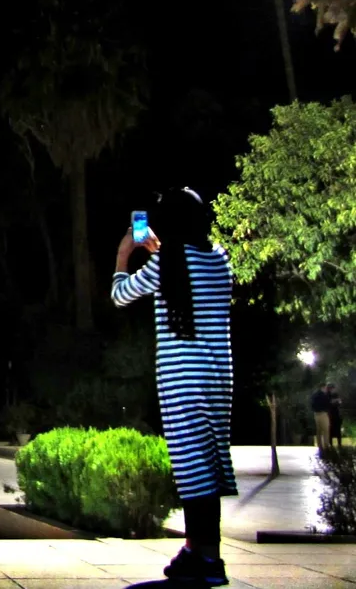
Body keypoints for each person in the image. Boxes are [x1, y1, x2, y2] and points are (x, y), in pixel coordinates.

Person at [112, 188, 237, 587]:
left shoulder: (166, 264)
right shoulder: (220, 259)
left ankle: (206, 558)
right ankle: (200, 553)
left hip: (181, 379)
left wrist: (123, 256)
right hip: (218, 377)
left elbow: (119, 295)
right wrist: (163, 255)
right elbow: (190, 279)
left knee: (192, 469)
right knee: (208, 466)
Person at [314, 384, 334, 451]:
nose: (326, 389)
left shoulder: (315, 395)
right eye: (325, 388)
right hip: (323, 413)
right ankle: (326, 445)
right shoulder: (323, 395)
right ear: (323, 388)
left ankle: (320, 445)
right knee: (326, 429)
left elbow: (312, 404)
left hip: (316, 414)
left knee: (319, 431)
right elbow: (328, 403)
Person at [330, 384, 344, 450]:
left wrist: (338, 401)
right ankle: (331, 444)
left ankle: (339, 444)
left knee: (338, 430)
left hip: (337, 414)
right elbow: (329, 403)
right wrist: (336, 401)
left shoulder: (336, 394)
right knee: (331, 430)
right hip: (331, 415)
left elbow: (340, 402)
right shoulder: (328, 395)